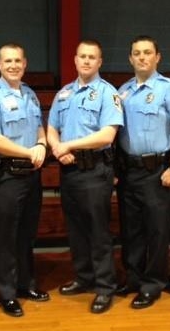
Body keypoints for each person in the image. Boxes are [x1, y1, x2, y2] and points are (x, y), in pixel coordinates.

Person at [116, 35, 170, 310]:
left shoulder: (169, 89)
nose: (141, 57)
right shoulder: (123, 92)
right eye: (136, 53)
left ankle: (153, 283)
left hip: (158, 171)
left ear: (157, 57)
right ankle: (133, 278)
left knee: (157, 231)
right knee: (132, 230)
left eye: (147, 52)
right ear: (130, 58)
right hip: (129, 171)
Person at [47, 40, 123, 314]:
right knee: (76, 229)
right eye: (83, 56)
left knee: (97, 231)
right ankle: (84, 277)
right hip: (68, 169)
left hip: (95, 170)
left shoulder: (107, 93)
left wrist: (70, 146)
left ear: (99, 62)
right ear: (75, 60)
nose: (87, 61)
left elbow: (107, 135)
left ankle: (105, 287)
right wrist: (57, 149)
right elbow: (52, 127)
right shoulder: (63, 94)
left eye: (93, 57)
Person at [0, 43, 49, 318]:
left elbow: (39, 127)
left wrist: (41, 144)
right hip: (7, 175)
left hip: (31, 174)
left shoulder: (29, 93)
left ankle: (25, 284)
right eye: (8, 61)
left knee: (27, 233)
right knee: (6, 236)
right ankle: (7, 293)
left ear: (25, 63)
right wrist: (29, 151)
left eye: (18, 60)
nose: (14, 65)